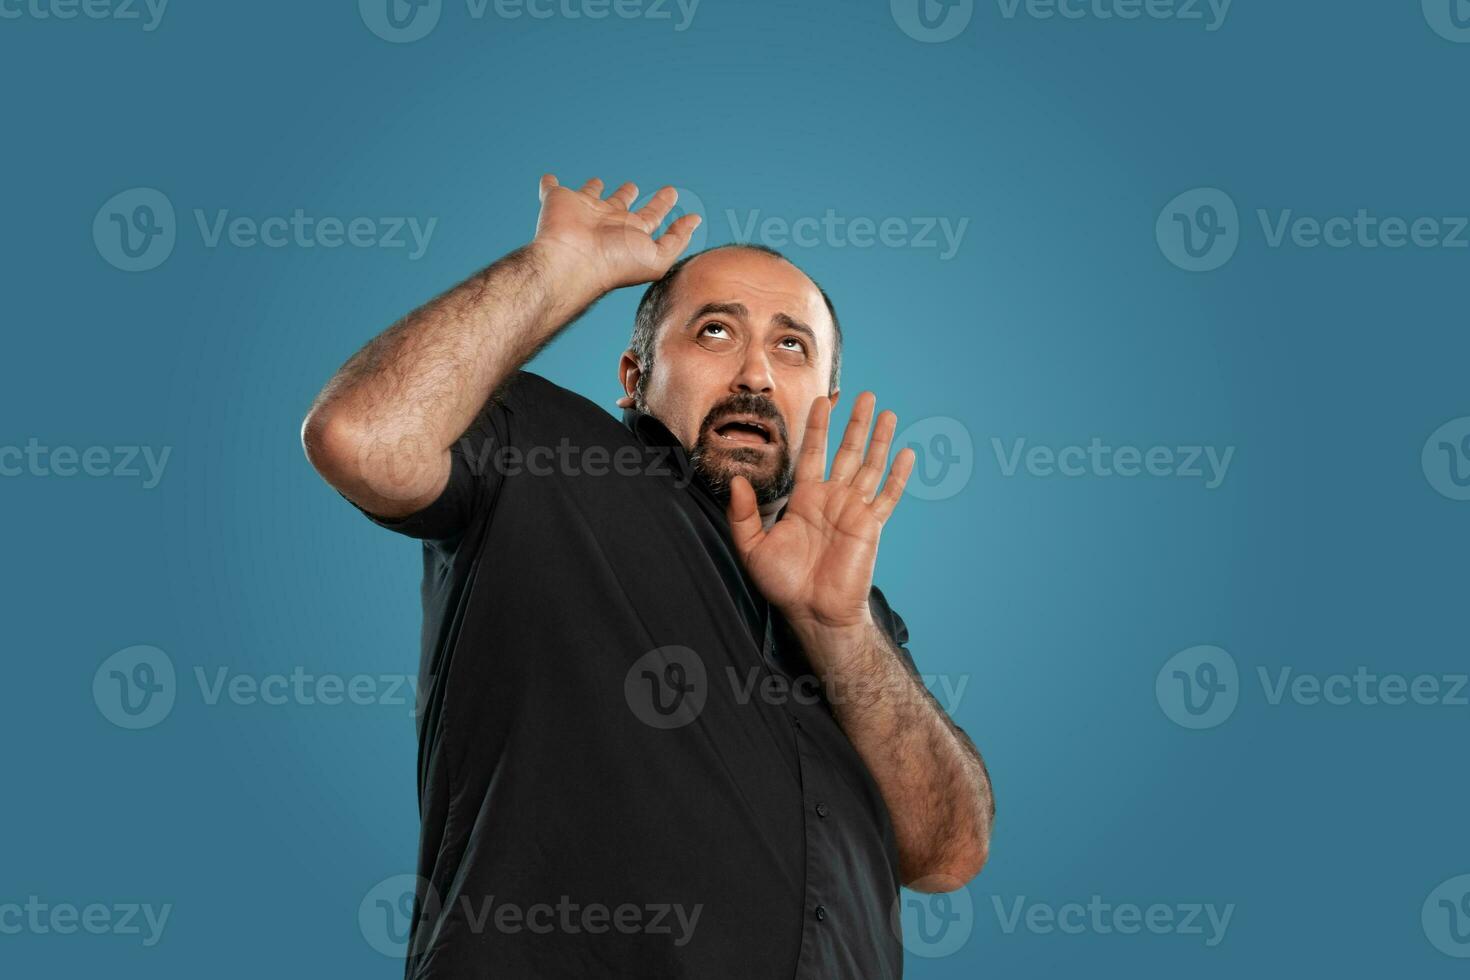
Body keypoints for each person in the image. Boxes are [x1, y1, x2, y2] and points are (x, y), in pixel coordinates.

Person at [301, 174, 994, 978]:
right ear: (634, 377)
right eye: (713, 333)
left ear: (824, 401)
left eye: (791, 346)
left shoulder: (852, 609)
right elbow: (359, 436)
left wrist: (838, 631)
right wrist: (556, 269)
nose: (756, 376)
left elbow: (948, 854)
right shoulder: (546, 451)